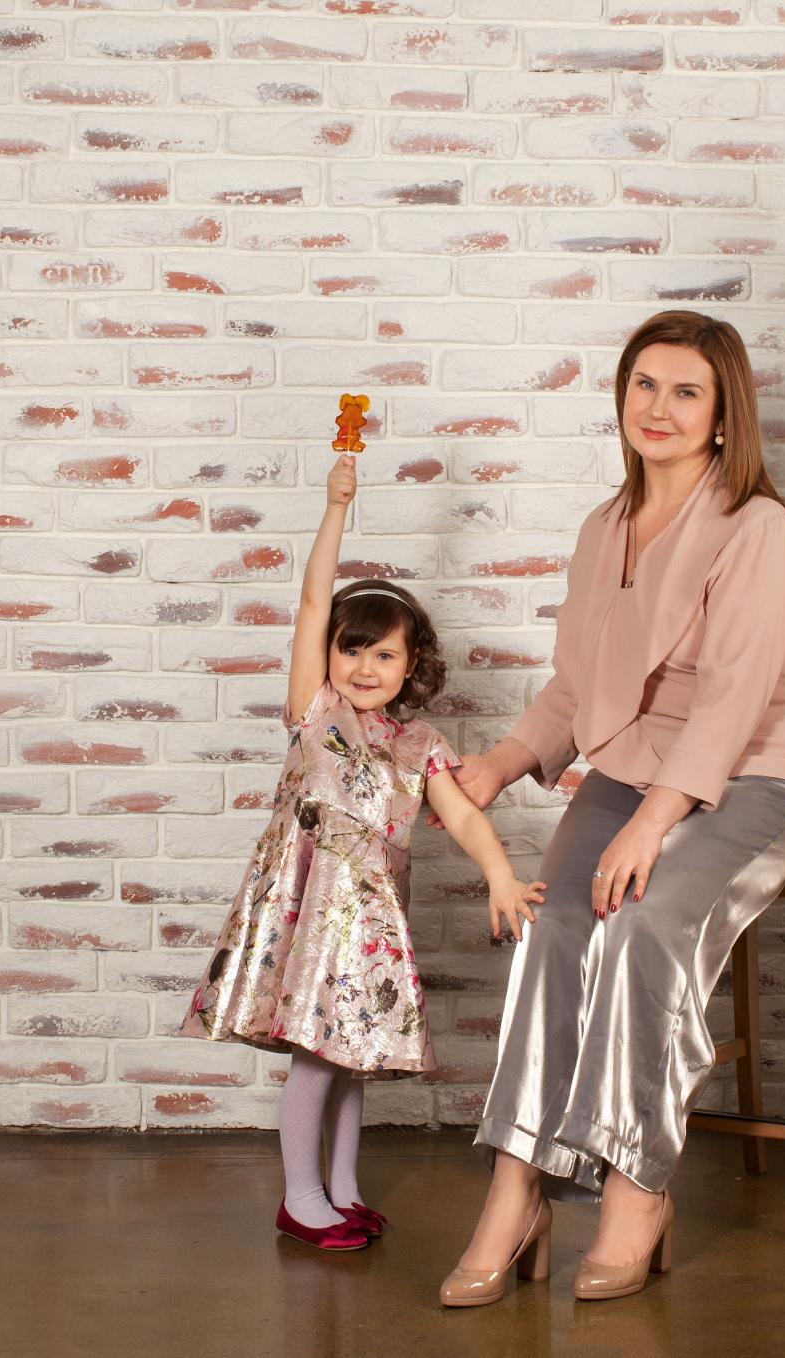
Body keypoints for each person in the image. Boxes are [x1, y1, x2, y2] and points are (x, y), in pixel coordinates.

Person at [439, 310, 785, 1306]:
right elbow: (576, 689)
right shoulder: (602, 527)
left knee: (644, 920)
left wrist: (652, 821)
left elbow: (734, 698)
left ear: (722, 416)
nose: (658, 407)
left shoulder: (757, 526)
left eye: (685, 391)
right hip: (633, 774)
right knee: (552, 923)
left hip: (765, 773)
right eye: (644, 385)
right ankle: (516, 1190)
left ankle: (634, 1186)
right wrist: (498, 765)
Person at [179, 451, 548, 1252]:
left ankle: (343, 1189)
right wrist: (335, 508)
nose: (364, 667)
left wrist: (500, 875)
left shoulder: (419, 745)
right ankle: (302, 1198)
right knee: (319, 1055)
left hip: (370, 922)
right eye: (352, 650)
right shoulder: (316, 712)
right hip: (309, 914)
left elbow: (464, 817)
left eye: (385, 655)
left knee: (351, 1056)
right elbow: (315, 599)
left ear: (413, 667)